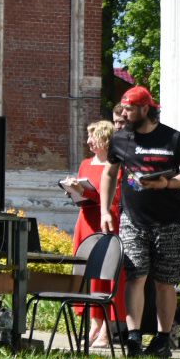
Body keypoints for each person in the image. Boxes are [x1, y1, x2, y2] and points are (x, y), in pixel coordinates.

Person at [99, 85, 180, 359]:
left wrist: (167, 182)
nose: (125, 113)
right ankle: (133, 339)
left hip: (170, 222)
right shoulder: (120, 139)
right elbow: (109, 173)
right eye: (124, 108)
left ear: (146, 108)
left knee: (165, 282)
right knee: (135, 277)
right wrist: (105, 211)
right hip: (133, 220)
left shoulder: (174, 139)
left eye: (130, 108)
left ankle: (163, 339)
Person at [68, 119, 126, 347]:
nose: (89, 141)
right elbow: (85, 196)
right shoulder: (85, 164)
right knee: (89, 274)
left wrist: (86, 192)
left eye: (93, 137)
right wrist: (74, 191)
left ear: (105, 140)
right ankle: (94, 323)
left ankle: (108, 329)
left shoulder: (116, 165)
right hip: (86, 221)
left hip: (107, 221)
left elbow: (113, 197)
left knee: (109, 273)